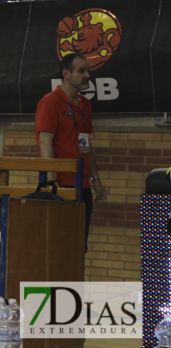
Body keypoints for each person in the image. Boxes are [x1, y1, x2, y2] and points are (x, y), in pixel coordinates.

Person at [36, 54, 105, 240]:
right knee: (60, 243)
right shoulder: (50, 102)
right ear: (66, 73)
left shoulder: (85, 105)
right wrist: (52, 182)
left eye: (88, 70)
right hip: (61, 185)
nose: (87, 75)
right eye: (81, 71)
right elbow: (45, 142)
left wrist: (95, 178)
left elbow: (86, 144)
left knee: (79, 244)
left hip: (82, 186)